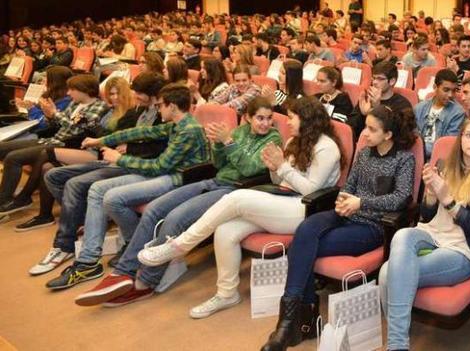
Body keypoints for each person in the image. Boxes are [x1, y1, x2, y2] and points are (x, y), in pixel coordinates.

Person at [135, 97, 343, 314]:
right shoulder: (294, 141)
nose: (287, 122)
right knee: (225, 230)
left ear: (307, 119)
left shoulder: (327, 148)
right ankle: (226, 294)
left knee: (236, 197)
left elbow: (311, 190)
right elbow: (279, 181)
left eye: (292, 118)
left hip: (306, 210)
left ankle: (180, 245)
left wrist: (281, 166)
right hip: (282, 201)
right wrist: (273, 168)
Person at [72, 95, 282, 306]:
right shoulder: (239, 131)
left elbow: (249, 170)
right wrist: (218, 145)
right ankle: (124, 272)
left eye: (269, 118)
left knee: (174, 219)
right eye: (260, 118)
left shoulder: (272, 139)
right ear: (247, 118)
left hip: (234, 191)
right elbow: (219, 164)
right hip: (214, 180)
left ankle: (145, 283)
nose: (265, 123)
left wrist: (227, 141)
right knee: (154, 209)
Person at [259, 105, 417, 350]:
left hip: (372, 226)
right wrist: (344, 200)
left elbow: (401, 198)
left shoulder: (404, 159)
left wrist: (361, 203)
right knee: (306, 230)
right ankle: (293, 321)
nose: (364, 133)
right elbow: (349, 185)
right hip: (345, 213)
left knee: (301, 249)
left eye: (372, 129)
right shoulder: (364, 153)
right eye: (365, 126)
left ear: (388, 135)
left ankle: (294, 323)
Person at [43, 84, 210, 290]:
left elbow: (159, 166)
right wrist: (100, 140)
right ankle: (89, 261)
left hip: (178, 179)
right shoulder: (177, 124)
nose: (158, 110)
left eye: (161, 106)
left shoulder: (189, 130)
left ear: (173, 106)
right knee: (98, 191)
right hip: (166, 174)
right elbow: (138, 132)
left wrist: (120, 159)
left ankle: (129, 246)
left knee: (112, 197)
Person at [381, 116, 470, 350]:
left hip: (461, 249)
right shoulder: (443, 164)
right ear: (461, 139)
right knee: (401, 235)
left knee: (388, 273)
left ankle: (396, 345)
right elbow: (427, 216)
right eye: (469, 135)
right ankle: (398, 343)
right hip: (431, 234)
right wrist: (430, 195)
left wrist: (449, 200)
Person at [0, 75, 110, 217]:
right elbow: (57, 127)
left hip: (66, 145)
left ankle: (5, 200)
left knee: (13, 157)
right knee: (2, 148)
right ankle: (6, 193)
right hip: (53, 139)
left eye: (72, 89)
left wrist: (55, 114)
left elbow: (79, 130)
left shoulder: (98, 106)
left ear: (84, 90)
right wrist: (49, 116)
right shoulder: (75, 103)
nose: (69, 93)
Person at [349, 61, 413, 136]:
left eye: (380, 79)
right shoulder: (367, 98)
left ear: (392, 81)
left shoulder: (402, 104)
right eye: (374, 78)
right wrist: (363, 115)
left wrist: (377, 109)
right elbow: (351, 129)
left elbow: (398, 133)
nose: (375, 82)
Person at [414, 69, 466, 158]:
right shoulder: (419, 108)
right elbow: (413, 137)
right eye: (446, 90)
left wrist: (419, 149)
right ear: (435, 87)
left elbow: (447, 146)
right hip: (417, 155)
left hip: (440, 158)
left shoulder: (458, 113)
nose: (450, 95)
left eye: (454, 91)